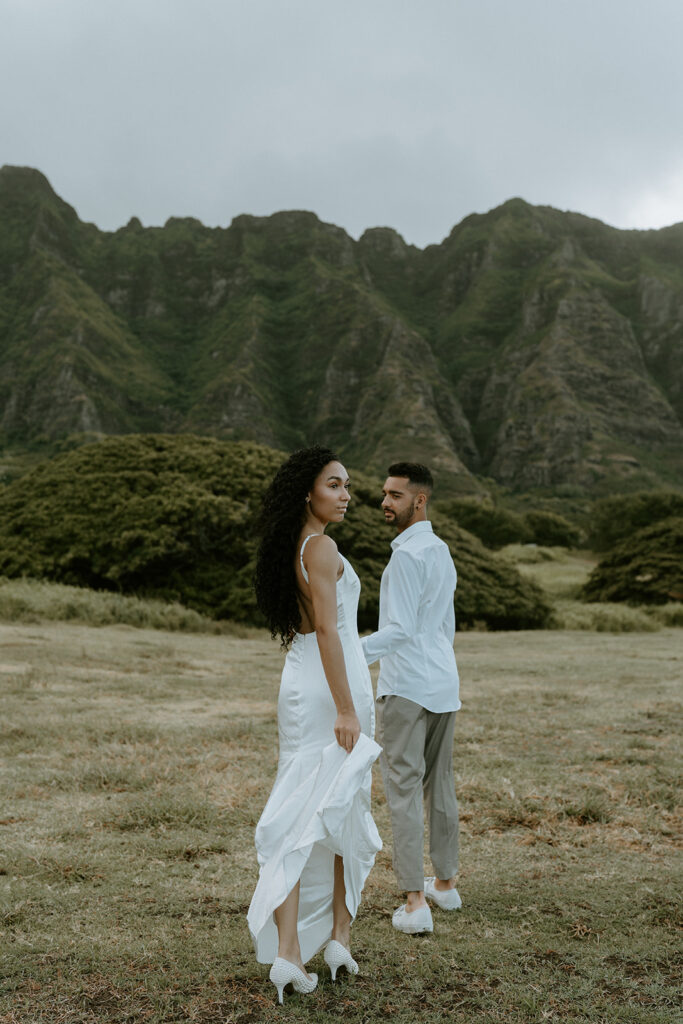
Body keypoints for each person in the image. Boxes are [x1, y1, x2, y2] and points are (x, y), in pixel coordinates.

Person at [247, 445, 381, 1003]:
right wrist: (347, 708)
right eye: (334, 484)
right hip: (330, 688)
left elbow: (330, 633)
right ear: (308, 491)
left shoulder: (295, 546)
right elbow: (329, 630)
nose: (346, 494)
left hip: (310, 677)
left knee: (326, 803)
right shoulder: (320, 547)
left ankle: (327, 944)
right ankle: (297, 950)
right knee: (316, 808)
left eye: (347, 484)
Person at [362, 462, 461, 935]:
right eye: (384, 493)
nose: (385, 501)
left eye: (395, 495)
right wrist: (442, 668)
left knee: (403, 788)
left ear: (418, 500)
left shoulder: (406, 556)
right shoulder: (440, 550)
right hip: (443, 683)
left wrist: (348, 653)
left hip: (405, 686)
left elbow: (398, 631)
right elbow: (447, 626)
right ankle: (444, 884)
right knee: (438, 785)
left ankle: (415, 903)